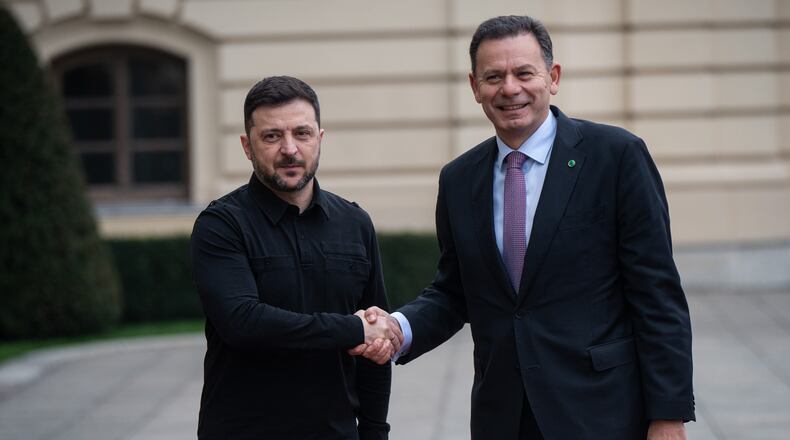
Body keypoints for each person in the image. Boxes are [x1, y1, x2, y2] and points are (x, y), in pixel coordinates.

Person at [351, 15, 695, 439]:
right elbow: (454, 290)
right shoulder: (459, 180)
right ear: (475, 86)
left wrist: (669, 415)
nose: (509, 88)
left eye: (523, 73)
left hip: (602, 412)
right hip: (504, 416)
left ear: (552, 78)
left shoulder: (616, 157)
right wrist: (397, 328)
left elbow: (657, 295)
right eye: (493, 76)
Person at [191, 75, 399, 439]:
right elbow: (243, 323)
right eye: (272, 136)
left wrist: (375, 431)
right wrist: (351, 328)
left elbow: (374, 346)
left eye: (301, 133)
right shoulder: (221, 225)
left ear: (319, 139)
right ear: (247, 145)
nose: (289, 149)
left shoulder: (355, 223)